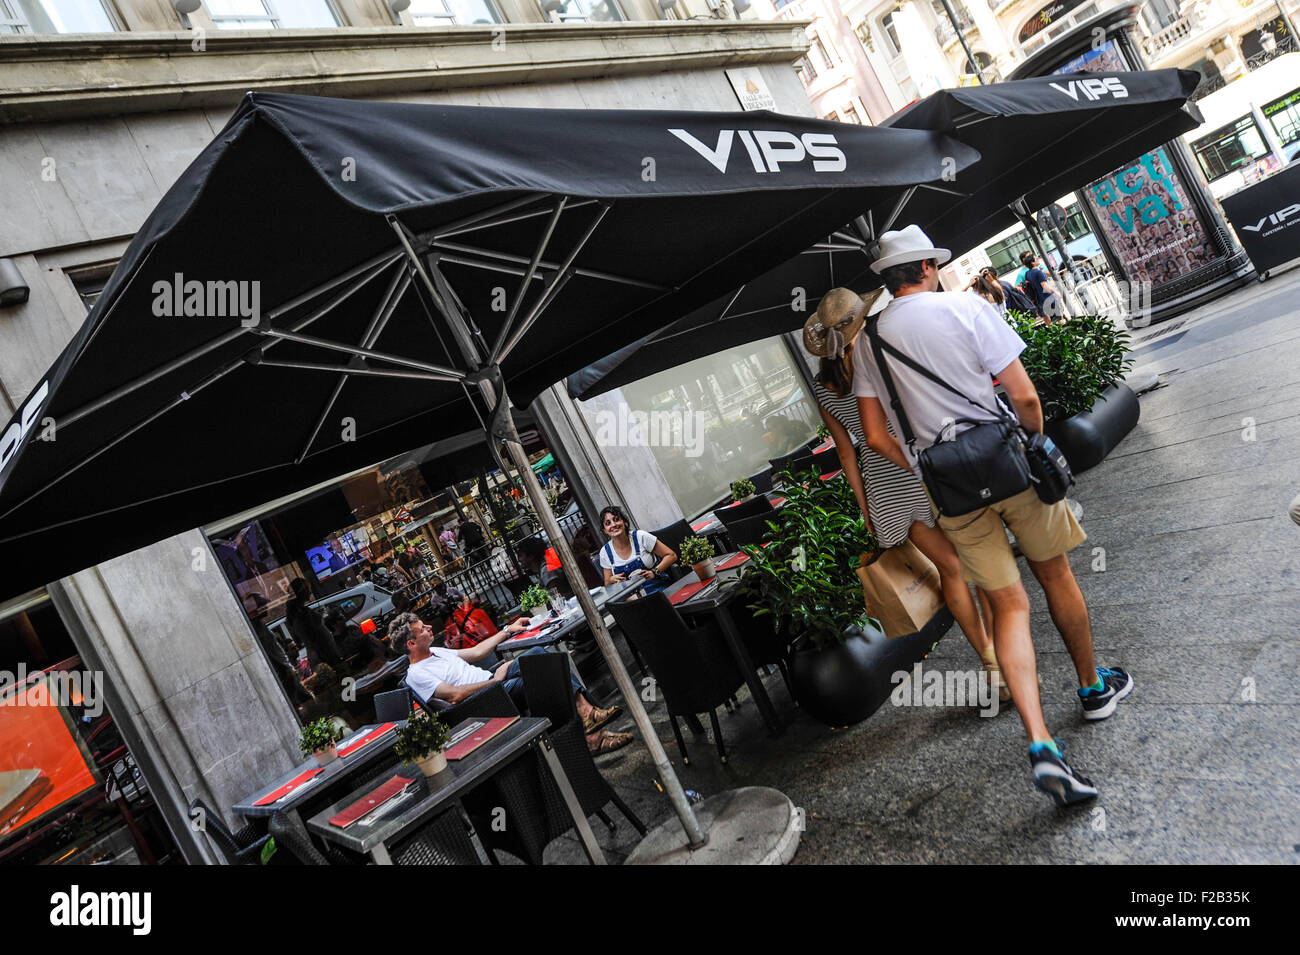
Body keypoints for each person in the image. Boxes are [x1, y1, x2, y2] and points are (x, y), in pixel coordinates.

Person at [849, 224, 1134, 805]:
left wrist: (923, 460)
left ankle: (1041, 743)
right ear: (927, 267)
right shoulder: (966, 308)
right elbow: (1025, 397)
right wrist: (1033, 443)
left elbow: (874, 436)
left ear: (888, 278)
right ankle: (1092, 689)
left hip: (949, 486)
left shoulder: (866, 343)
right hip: (1008, 463)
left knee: (1008, 604)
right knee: (1055, 575)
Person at [802, 290, 1006, 701]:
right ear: (859, 322)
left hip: (883, 487)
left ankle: (990, 661)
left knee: (950, 567)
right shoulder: (877, 357)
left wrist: (865, 510)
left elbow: (848, 451)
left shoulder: (823, 386)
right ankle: (1002, 655)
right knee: (972, 559)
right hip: (920, 464)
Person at [387, 613, 633, 755]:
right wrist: (495, 680)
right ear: (411, 643)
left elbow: (476, 652)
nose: (430, 628)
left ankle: (590, 722)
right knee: (543, 670)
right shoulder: (416, 674)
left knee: (540, 656)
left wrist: (507, 629)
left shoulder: (436, 651)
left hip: (493, 685)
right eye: (422, 629)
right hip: (484, 703)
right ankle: (592, 730)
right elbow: (455, 696)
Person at [597, 506, 677, 595]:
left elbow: (671, 556)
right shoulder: (605, 552)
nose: (613, 524)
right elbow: (607, 583)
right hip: (633, 599)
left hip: (660, 590)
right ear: (604, 530)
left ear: (625, 522)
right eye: (608, 523)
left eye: (616, 519)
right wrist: (612, 580)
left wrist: (654, 572)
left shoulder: (640, 536)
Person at [284, 577, 343, 669]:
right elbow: (314, 640)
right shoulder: (303, 615)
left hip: (324, 655)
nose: (310, 592)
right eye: (308, 589)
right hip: (325, 656)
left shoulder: (298, 614)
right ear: (301, 592)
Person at [1018, 251, 1062, 323]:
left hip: (1039, 300)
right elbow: (1044, 286)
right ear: (1032, 262)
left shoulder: (1027, 274)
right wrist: (1055, 292)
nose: (1038, 259)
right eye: (1036, 259)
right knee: (1060, 319)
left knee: (1052, 320)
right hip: (1048, 298)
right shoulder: (1038, 272)